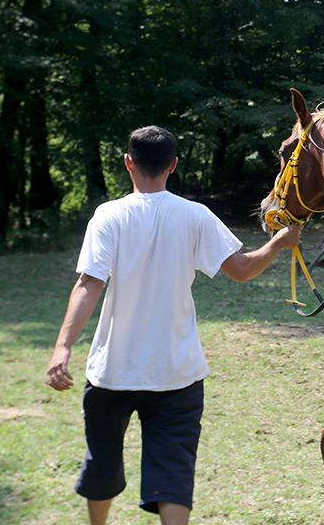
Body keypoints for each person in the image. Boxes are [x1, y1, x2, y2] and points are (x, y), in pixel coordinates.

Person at [46, 125, 304, 525]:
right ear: (174, 165)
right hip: (177, 374)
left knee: (102, 464)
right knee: (173, 476)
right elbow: (241, 270)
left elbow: (89, 283)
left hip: (113, 372)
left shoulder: (108, 216)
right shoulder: (195, 215)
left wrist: (63, 347)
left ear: (128, 163)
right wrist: (278, 243)